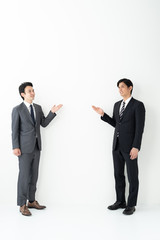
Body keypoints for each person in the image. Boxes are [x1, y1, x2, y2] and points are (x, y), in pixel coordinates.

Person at [92, 78, 145, 215]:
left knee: (132, 176)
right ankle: (120, 201)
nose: (120, 90)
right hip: (117, 146)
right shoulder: (116, 105)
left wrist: (136, 147)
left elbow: (140, 129)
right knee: (118, 175)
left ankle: (131, 204)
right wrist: (103, 115)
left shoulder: (138, 105)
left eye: (122, 87)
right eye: (118, 87)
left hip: (130, 147)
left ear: (130, 88)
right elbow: (117, 124)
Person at [12, 82, 63, 216]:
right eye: (29, 91)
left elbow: (44, 124)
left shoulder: (38, 108)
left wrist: (52, 113)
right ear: (23, 94)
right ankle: (22, 204)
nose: (32, 93)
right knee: (24, 176)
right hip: (23, 148)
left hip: (36, 147)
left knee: (34, 175)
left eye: (33, 90)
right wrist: (15, 146)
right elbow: (14, 130)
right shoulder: (17, 109)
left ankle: (32, 201)